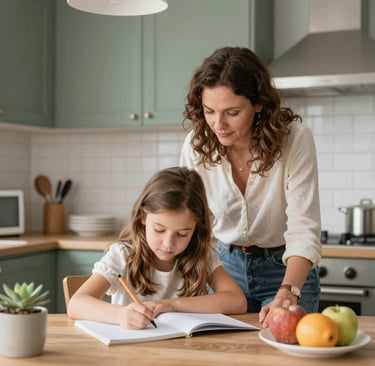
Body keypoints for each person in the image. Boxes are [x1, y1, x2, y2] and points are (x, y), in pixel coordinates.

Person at [180, 47, 322, 327]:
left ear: (258, 104)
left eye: (232, 112)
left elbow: (303, 228)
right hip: (224, 269)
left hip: (285, 270)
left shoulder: (294, 141)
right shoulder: (196, 145)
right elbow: (189, 219)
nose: (218, 124)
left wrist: (288, 290)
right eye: (209, 111)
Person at [67, 167, 247, 329]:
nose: (168, 243)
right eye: (159, 229)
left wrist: (172, 305)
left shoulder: (202, 255)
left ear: (196, 228)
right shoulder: (122, 255)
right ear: (142, 217)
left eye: (182, 234)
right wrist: (120, 315)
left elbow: (237, 301)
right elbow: (76, 304)